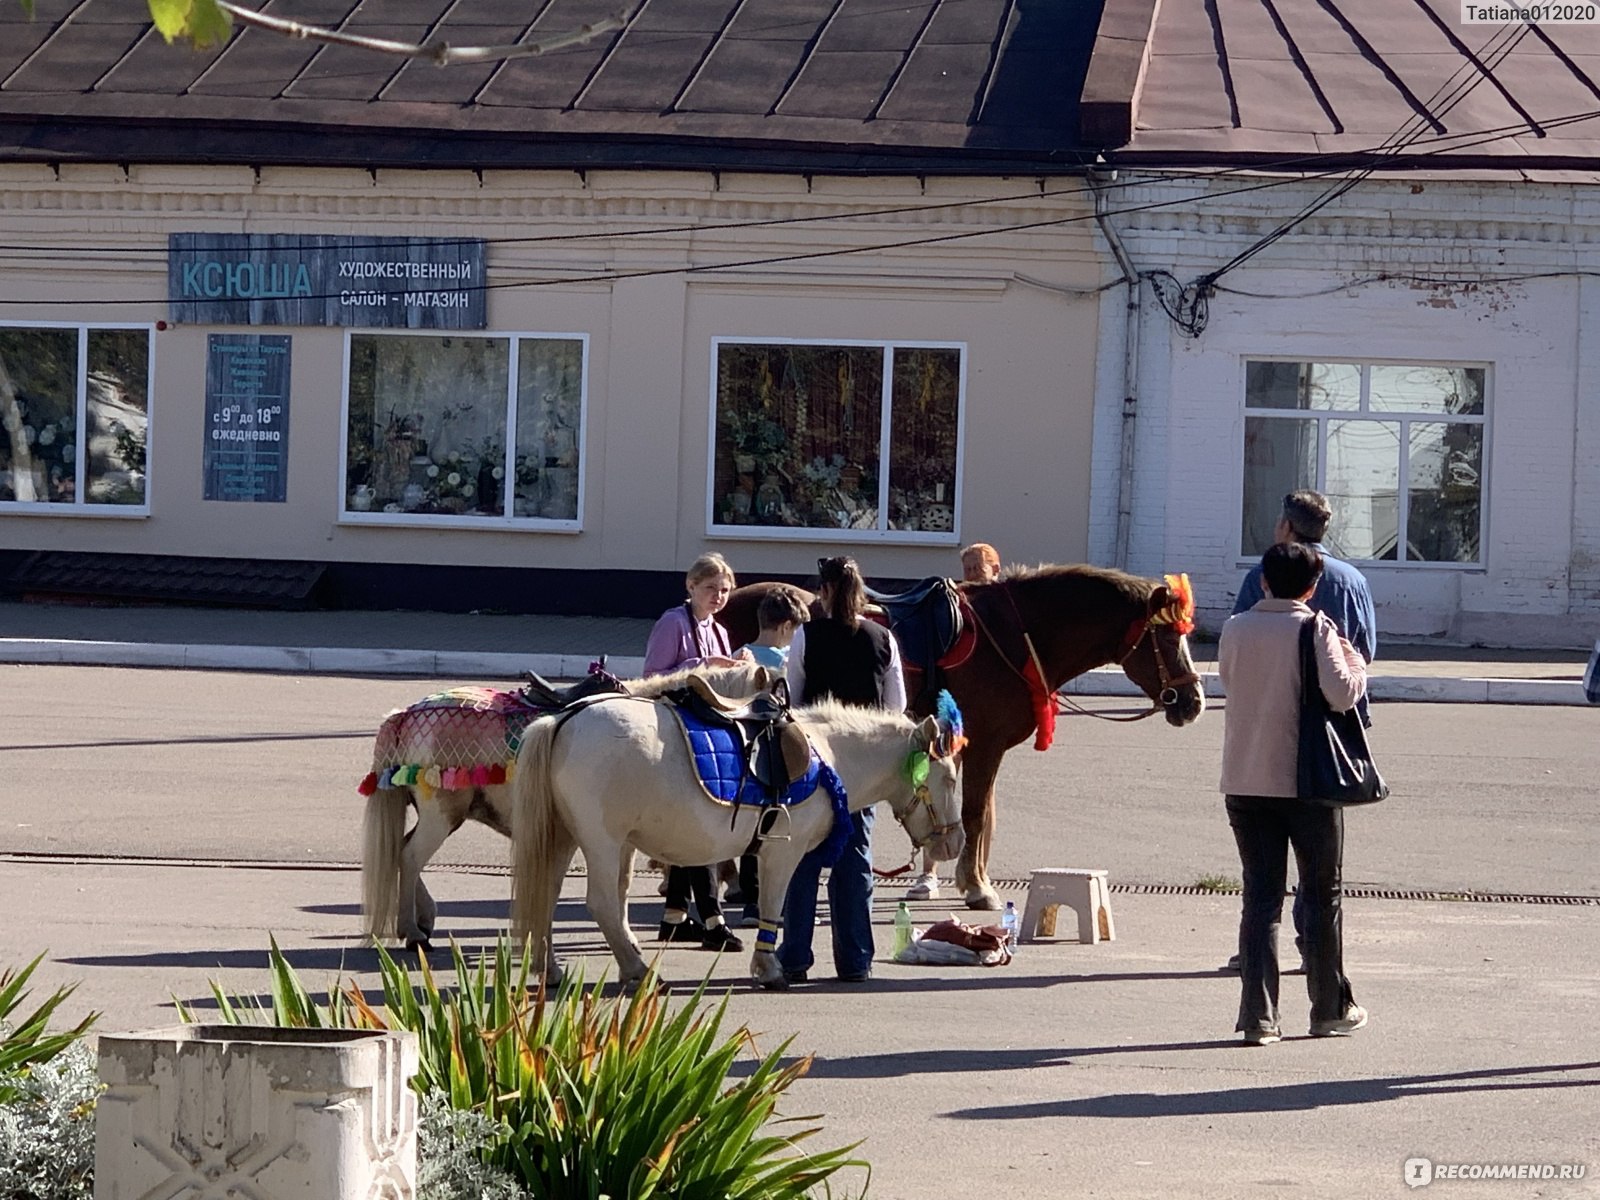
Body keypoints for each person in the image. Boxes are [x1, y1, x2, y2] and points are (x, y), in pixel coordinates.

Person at [1218, 541, 1369, 1045]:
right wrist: (1354, 659)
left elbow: (1231, 684)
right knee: (1322, 894)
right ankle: (1328, 1008)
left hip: (1244, 779)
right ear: (1312, 586)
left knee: (1260, 899)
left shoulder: (1235, 630)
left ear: (1263, 581)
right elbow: (1343, 693)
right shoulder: (1316, 628)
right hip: (1307, 783)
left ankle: (1258, 1017)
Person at [778, 556, 907, 983]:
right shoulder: (883, 638)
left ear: (826, 591)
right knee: (855, 863)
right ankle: (855, 960)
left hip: (813, 768)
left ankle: (794, 957)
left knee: (803, 862)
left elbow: (792, 702)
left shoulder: (805, 636)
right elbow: (896, 711)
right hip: (861, 774)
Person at [643, 552, 744, 953]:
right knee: (699, 822)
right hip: (674, 730)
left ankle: (673, 915)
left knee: (696, 820)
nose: (718, 597)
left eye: (724, 590)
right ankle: (712, 918)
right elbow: (651, 676)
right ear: (691, 586)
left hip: (704, 729)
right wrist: (703, 664)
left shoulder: (716, 629)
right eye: (710, 589)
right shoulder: (673, 622)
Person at [904, 541, 1001, 901]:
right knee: (941, 782)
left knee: (984, 794)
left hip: (986, 714)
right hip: (951, 715)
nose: (973, 573)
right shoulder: (956, 609)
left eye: (979, 566)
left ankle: (979, 869)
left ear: (996, 568)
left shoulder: (1002, 615)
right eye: (968, 567)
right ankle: (929, 873)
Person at [725, 584, 811, 926]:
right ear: (787, 627)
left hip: (741, 749)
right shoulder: (785, 663)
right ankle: (770, 902)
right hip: (776, 753)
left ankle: (747, 894)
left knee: (749, 824)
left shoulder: (738, 654)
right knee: (775, 827)